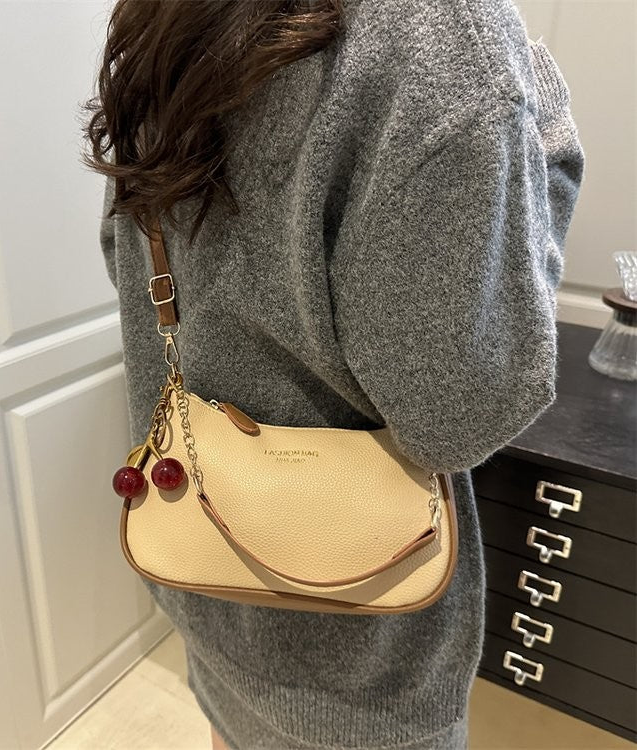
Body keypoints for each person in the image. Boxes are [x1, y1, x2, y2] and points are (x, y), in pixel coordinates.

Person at [81, 0, 585, 747]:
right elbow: (460, 412)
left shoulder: (164, 16)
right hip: (358, 652)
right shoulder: (445, 31)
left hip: (203, 566)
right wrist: (547, 133)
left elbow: (127, 261)